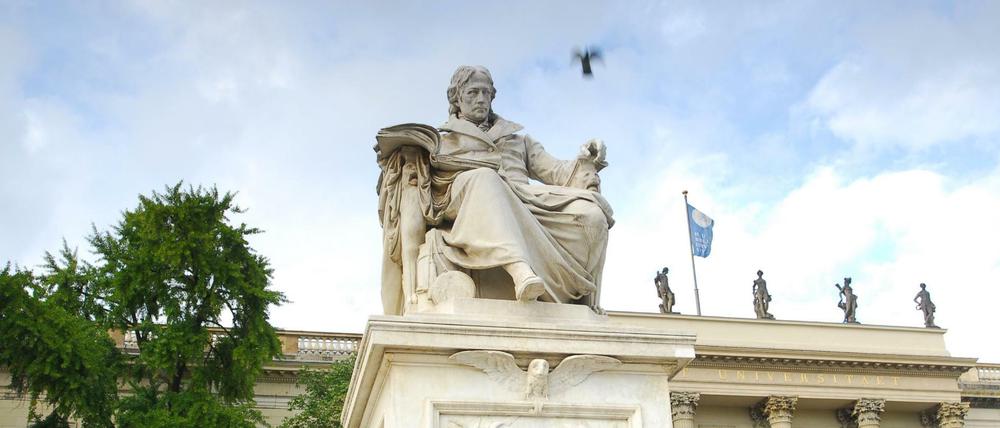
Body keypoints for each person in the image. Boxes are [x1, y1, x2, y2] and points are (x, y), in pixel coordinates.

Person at [414, 65, 614, 308]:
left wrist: (585, 159)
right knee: (485, 178)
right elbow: (426, 190)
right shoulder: (442, 141)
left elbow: (557, 172)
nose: (481, 99)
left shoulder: (517, 140)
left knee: (591, 214)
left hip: (524, 199)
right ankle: (521, 272)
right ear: (455, 97)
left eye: (486, 93)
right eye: (473, 93)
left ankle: (580, 301)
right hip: (467, 202)